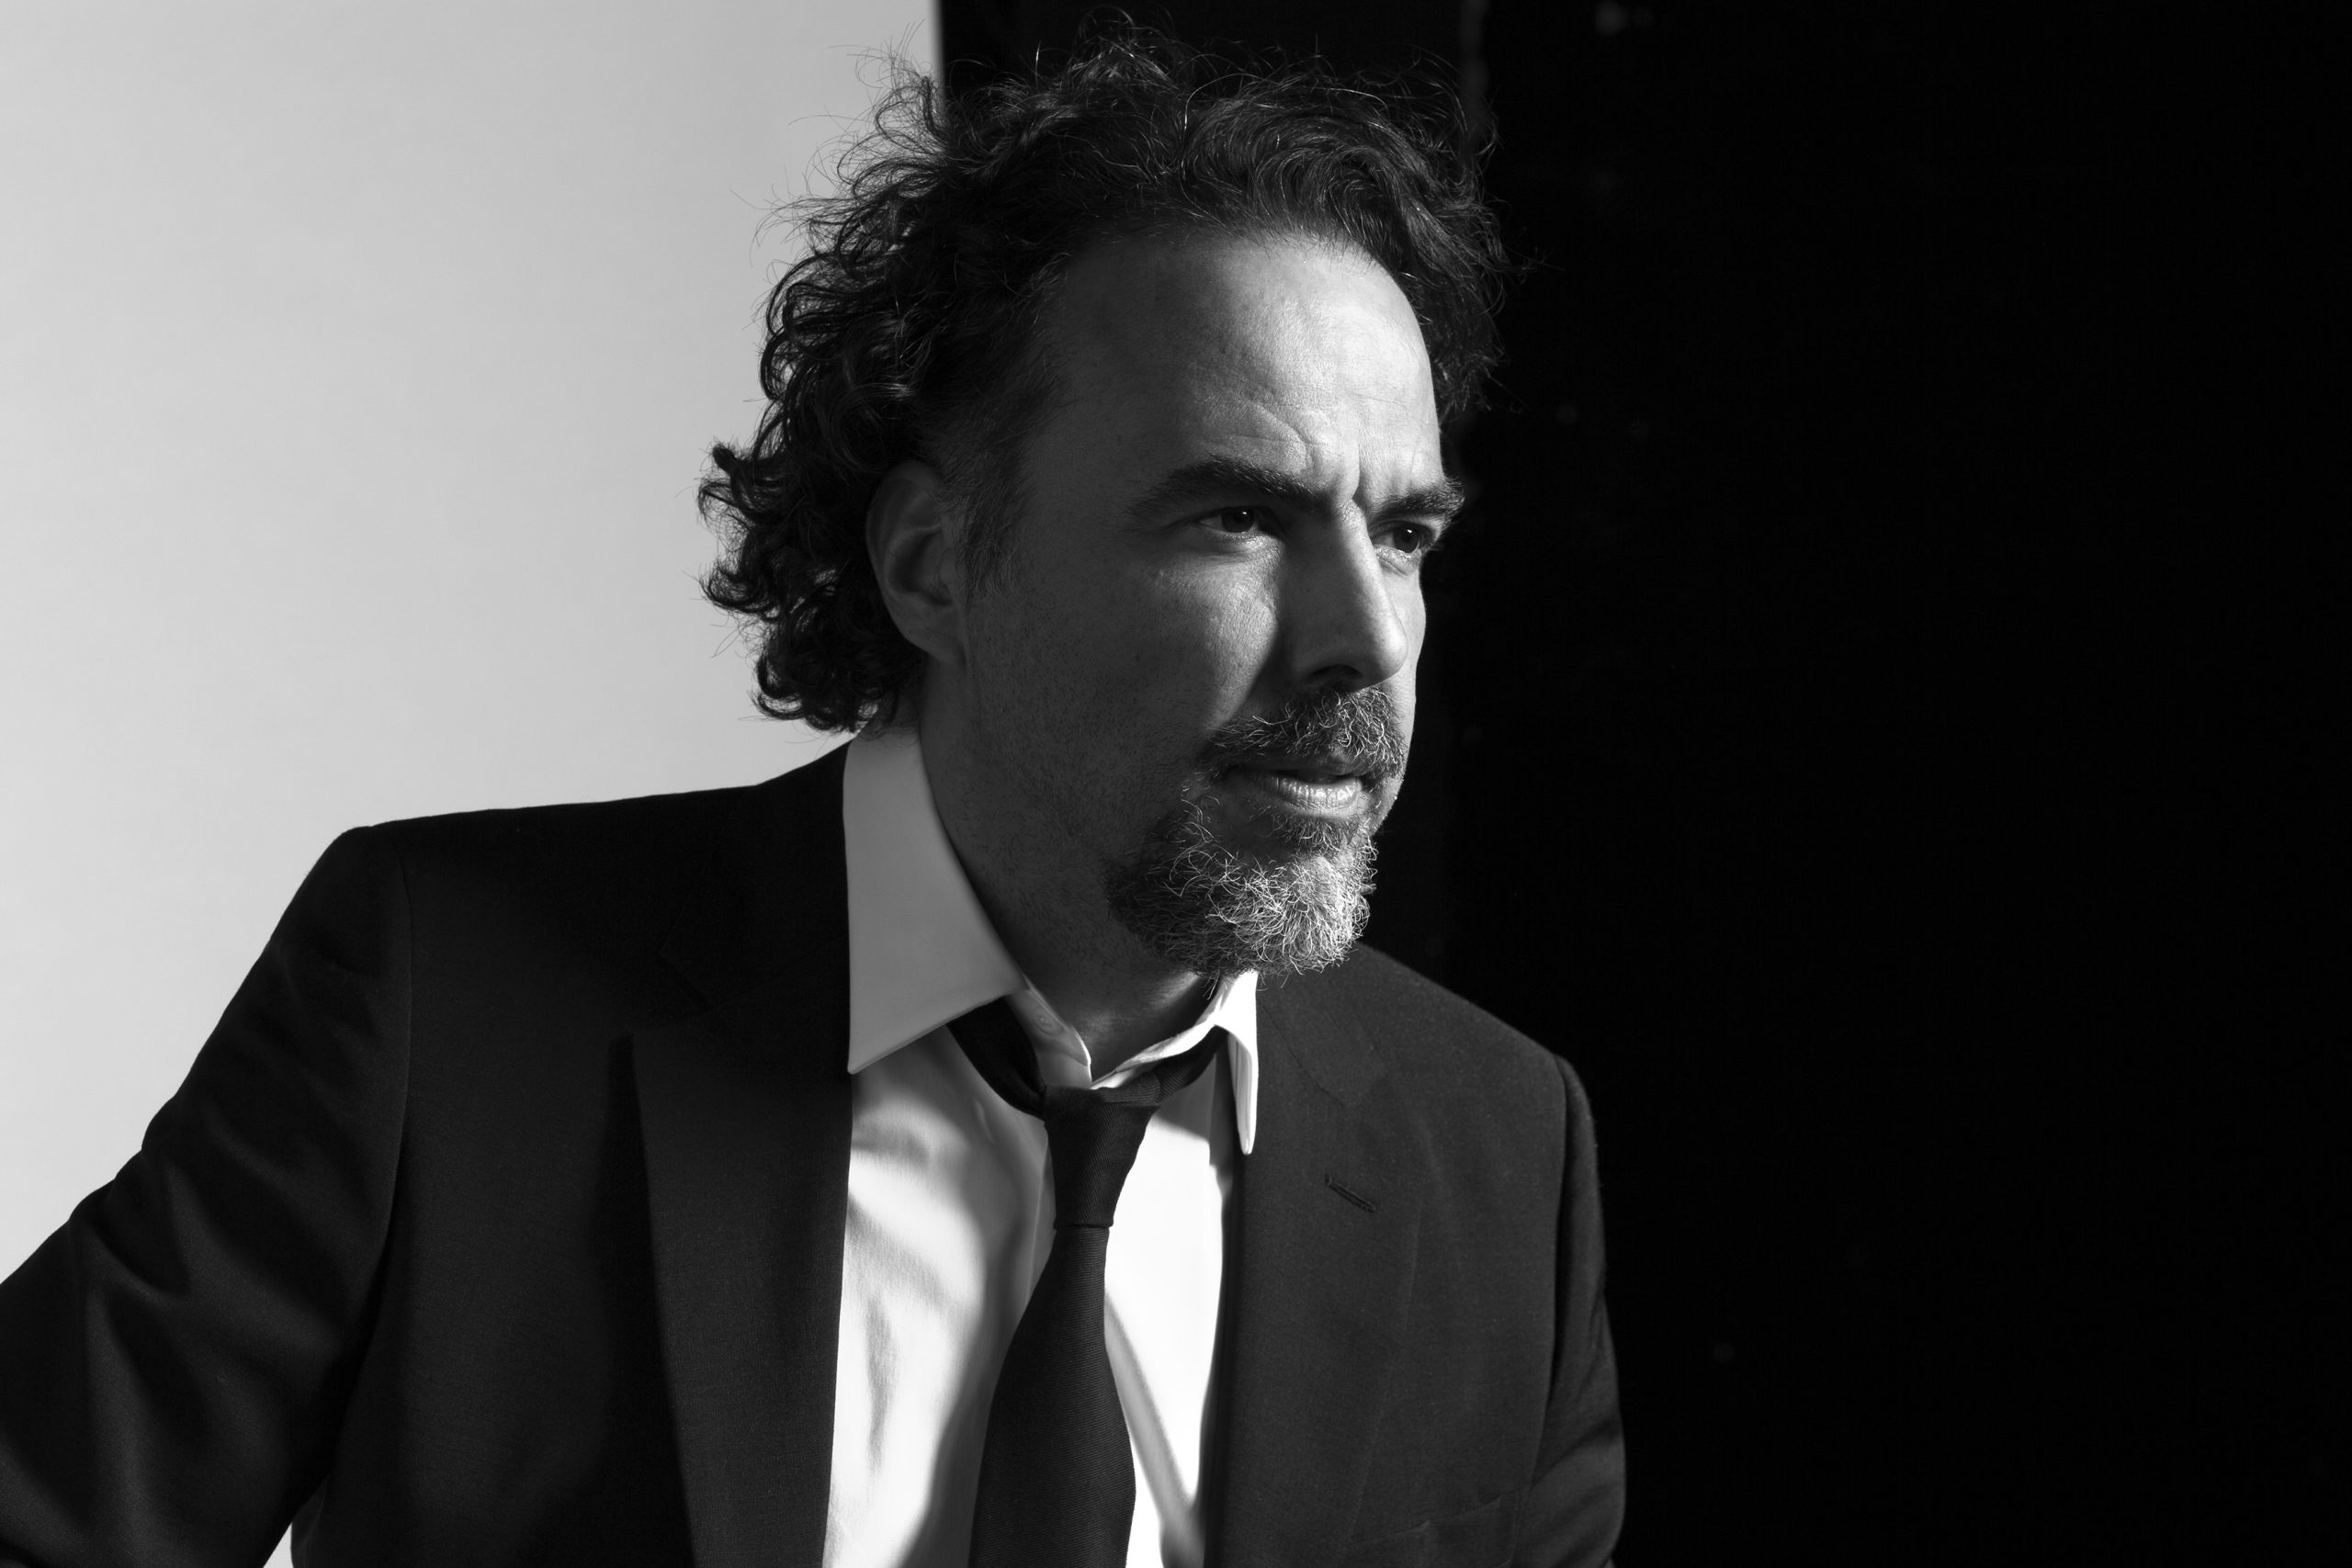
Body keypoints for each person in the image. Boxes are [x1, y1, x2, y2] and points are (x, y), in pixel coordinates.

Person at [0, 31, 1622, 1568]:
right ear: (932, 564)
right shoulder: (444, 1004)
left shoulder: (1498, 1149)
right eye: (1238, 519)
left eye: (1404, 535)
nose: (1368, 639)